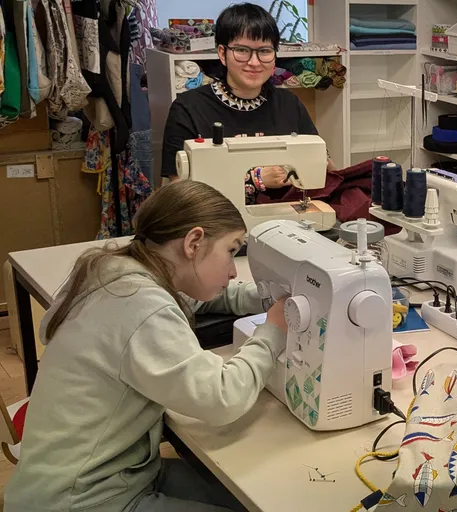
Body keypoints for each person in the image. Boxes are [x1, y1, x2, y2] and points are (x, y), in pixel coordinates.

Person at [4, 181, 289, 511]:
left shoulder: (116, 269)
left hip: (105, 474)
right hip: (82, 499)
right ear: (194, 242)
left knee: (253, 496)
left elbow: (197, 295)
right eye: (231, 251)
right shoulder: (142, 306)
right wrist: (272, 332)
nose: (231, 269)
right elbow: (222, 398)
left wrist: (267, 298)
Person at [160, 3, 336, 191]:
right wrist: (254, 179)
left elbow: (327, 167)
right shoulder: (188, 108)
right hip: (215, 216)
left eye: (265, 51)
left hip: (284, 214)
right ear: (222, 53)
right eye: (242, 50)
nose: (254, 62)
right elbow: (178, 187)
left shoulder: (289, 104)